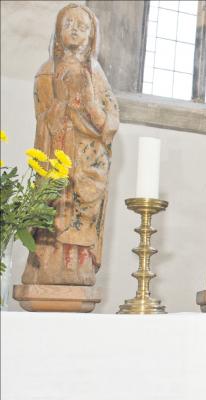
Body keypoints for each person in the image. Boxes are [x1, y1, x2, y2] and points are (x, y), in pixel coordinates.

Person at [22, 3, 119, 286]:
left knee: (82, 214)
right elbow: (42, 118)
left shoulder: (97, 75)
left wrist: (89, 102)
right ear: (57, 31)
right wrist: (59, 114)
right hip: (58, 153)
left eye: (82, 26)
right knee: (53, 211)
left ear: (92, 36)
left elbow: (110, 123)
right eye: (69, 24)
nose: (75, 30)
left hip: (88, 161)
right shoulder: (46, 72)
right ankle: (46, 269)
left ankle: (77, 268)